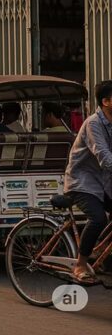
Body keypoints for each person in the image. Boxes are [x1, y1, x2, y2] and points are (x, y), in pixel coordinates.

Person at [64, 80, 112, 283]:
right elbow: (104, 156)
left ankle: (101, 254)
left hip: (104, 183)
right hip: (82, 182)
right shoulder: (93, 123)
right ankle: (81, 264)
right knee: (98, 218)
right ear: (106, 101)